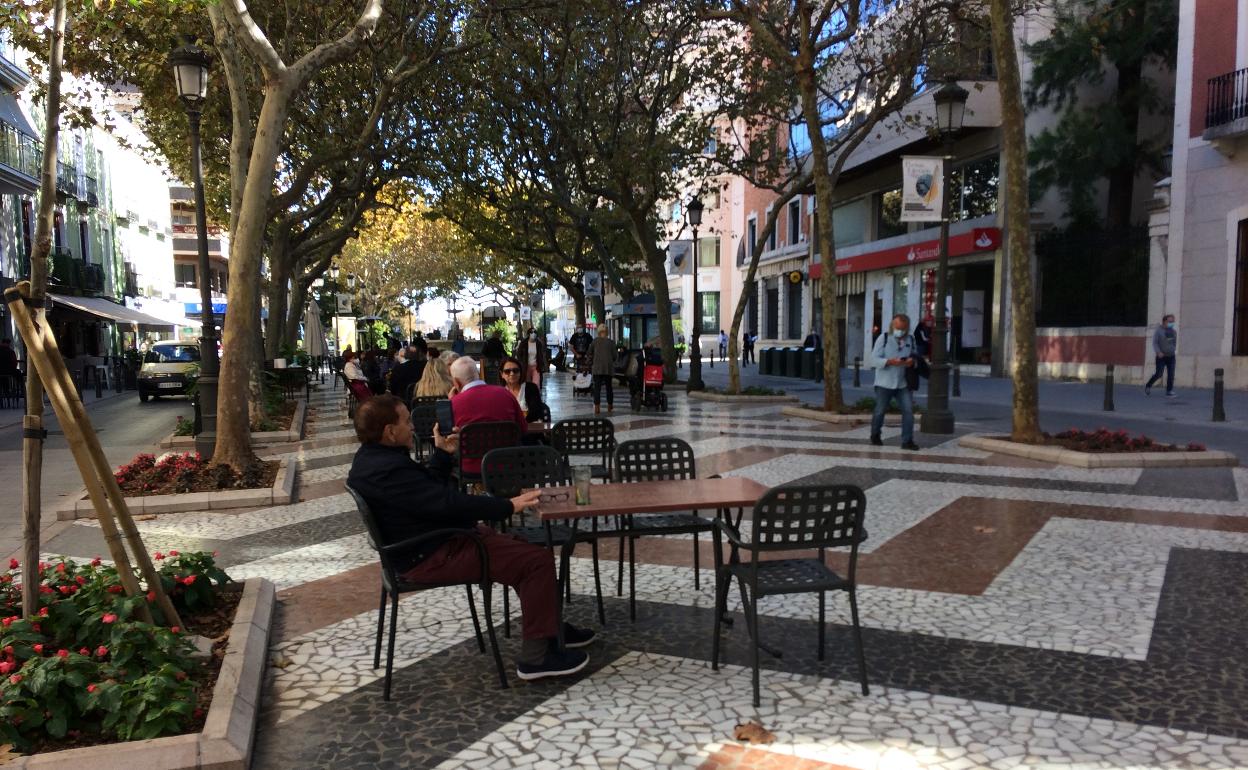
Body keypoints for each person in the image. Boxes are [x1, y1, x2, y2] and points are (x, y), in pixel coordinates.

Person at [346, 395, 594, 680]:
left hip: (428, 544)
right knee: (536, 561)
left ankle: (549, 628)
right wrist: (507, 505)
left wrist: (442, 453)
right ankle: (537, 658)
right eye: (406, 421)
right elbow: (447, 504)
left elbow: (427, 495)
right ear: (390, 432)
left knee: (521, 545)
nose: (413, 426)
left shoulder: (373, 461)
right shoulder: (387, 470)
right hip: (431, 554)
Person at [450, 357, 527, 474]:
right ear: (478, 374)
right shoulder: (505, 394)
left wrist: (452, 401)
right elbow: (523, 429)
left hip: (472, 469)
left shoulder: (453, 403)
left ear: (456, 382)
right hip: (509, 464)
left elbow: (448, 438)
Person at [869, 313, 918, 451]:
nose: (899, 330)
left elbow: (915, 357)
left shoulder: (911, 339)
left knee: (908, 411)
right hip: (884, 382)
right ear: (892, 325)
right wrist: (890, 362)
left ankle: (907, 440)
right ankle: (875, 434)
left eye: (902, 328)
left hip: (903, 383)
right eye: (896, 327)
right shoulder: (883, 338)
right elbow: (873, 359)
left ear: (907, 328)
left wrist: (911, 362)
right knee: (880, 410)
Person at [500, 355, 545, 423]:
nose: (512, 374)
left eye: (515, 370)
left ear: (520, 372)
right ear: (502, 374)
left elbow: (535, 413)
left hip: (530, 430)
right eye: (507, 371)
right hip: (507, 431)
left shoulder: (531, 388)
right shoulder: (499, 392)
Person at [1145, 314, 1178, 397]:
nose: (1172, 323)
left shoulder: (1173, 332)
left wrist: (1173, 349)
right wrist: (1158, 352)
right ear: (1164, 321)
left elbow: (1174, 343)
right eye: (1170, 321)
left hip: (1171, 356)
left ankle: (1169, 391)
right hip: (1161, 356)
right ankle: (1148, 385)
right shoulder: (1158, 331)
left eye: (1173, 321)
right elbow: (1155, 343)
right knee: (1159, 374)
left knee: (1171, 374)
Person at [588, 325, 616, 414]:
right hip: (608, 368)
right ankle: (610, 406)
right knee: (609, 387)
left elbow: (589, 352)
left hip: (597, 368)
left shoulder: (595, 341)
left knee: (597, 388)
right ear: (607, 332)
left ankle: (597, 407)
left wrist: (592, 359)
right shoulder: (611, 342)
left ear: (598, 332)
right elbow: (615, 356)